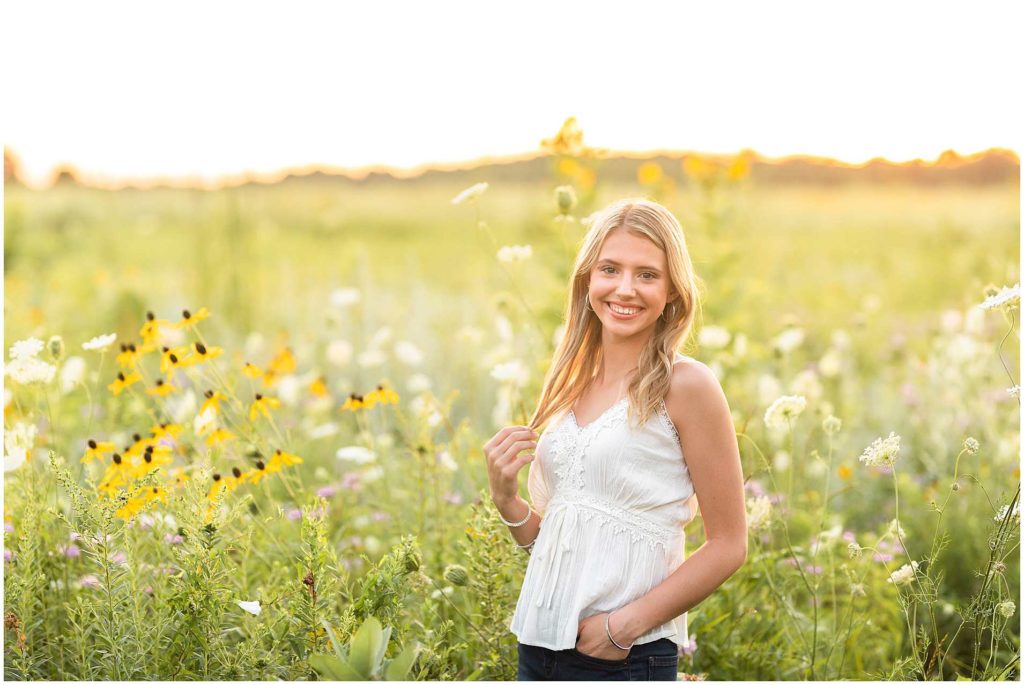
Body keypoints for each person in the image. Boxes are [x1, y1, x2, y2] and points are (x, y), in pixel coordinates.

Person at [484, 198, 747, 681]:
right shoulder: (570, 383)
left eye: (646, 274)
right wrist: (507, 500)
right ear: (587, 282)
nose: (625, 289)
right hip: (538, 646)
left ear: (672, 291)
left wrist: (623, 628)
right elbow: (558, 539)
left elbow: (729, 544)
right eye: (610, 269)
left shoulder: (688, 386)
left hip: (627, 657)